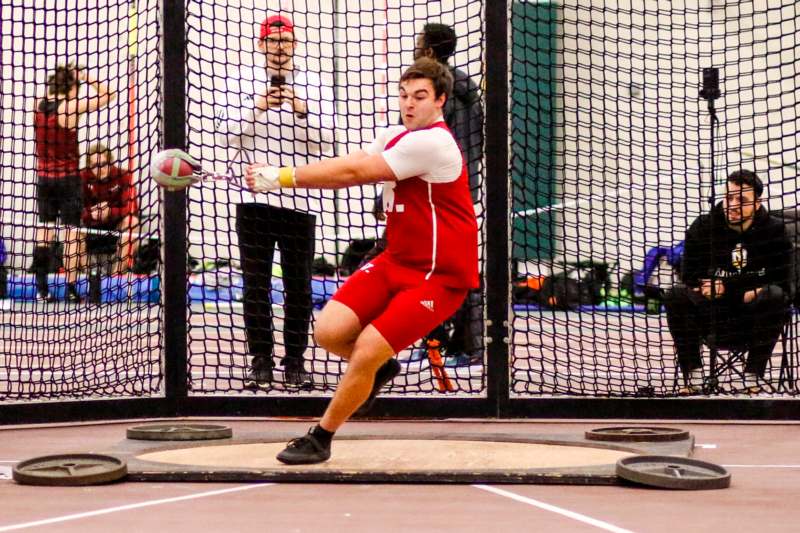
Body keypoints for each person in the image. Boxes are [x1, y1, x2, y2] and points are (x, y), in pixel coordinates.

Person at [244, 57, 478, 464]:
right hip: (396, 261)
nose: (409, 104)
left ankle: (321, 437)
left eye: (420, 97)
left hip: (438, 276)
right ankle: (379, 370)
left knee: (368, 347)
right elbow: (349, 159)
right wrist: (278, 171)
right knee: (329, 332)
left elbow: (355, 171)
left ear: (440, 100)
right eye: (404, 95)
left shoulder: (434, 142)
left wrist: (282, 176)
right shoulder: (395, 135)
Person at [215, 14, 335, 389]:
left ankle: (295, 360)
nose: (279, 47)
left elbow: (329, 138)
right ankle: (261, 360)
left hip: (299, 198)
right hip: (253, 198)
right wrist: (258, 106)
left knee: (298, 285)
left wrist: (302, 110)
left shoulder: (314, 84)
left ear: (295, 45)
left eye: (286, 41)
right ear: (261, 45)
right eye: (273, 41)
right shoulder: (240, 82)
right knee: (256, 284)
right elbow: (225, 136)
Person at [373, 23, 484, 366]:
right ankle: (439, 341)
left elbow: (413, 152)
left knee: (443, 270)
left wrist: (384, 198)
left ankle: (466, 346)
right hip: (458, 190)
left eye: (421, 44)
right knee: (438, 269)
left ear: (431, 52)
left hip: (437, 194)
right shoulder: (468, 92)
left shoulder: (436, 98)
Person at [664, 170, 791, 395]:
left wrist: (729, 288)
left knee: (775, 296)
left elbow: (784, 282)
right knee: (675, 294)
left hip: (752, 319)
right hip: (712, 315)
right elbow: (689, 275)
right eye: (729, 197)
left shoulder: (774, 230)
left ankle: (752, 377)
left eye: (741, 200)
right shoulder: (703, 227)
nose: (732, 204)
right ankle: (693, 376)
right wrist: (710, 287)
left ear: (757, 203)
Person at [33, 64, 115, 302]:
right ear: (71, 87)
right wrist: (85, 77)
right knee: (72, 235)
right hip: (68, 180)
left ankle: (41, 289)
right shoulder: (70, 107)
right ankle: (70, 289)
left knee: (44, 231)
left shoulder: (36, 104)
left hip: (44, 179)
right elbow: (109, 95)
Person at [79, 143, 140, 276]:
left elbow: (132, 208)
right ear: (89, 166)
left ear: (111, 162)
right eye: (95, 165)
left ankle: (116, 276)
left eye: (104, 163)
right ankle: (90, 275)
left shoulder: (123, 176)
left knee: (132, 222)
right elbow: (74, 210)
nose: (101, 168)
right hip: (91, 227)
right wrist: (92, 214)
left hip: (115, 226)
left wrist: (109, 212)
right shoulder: (82, 178)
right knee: (72, 230)